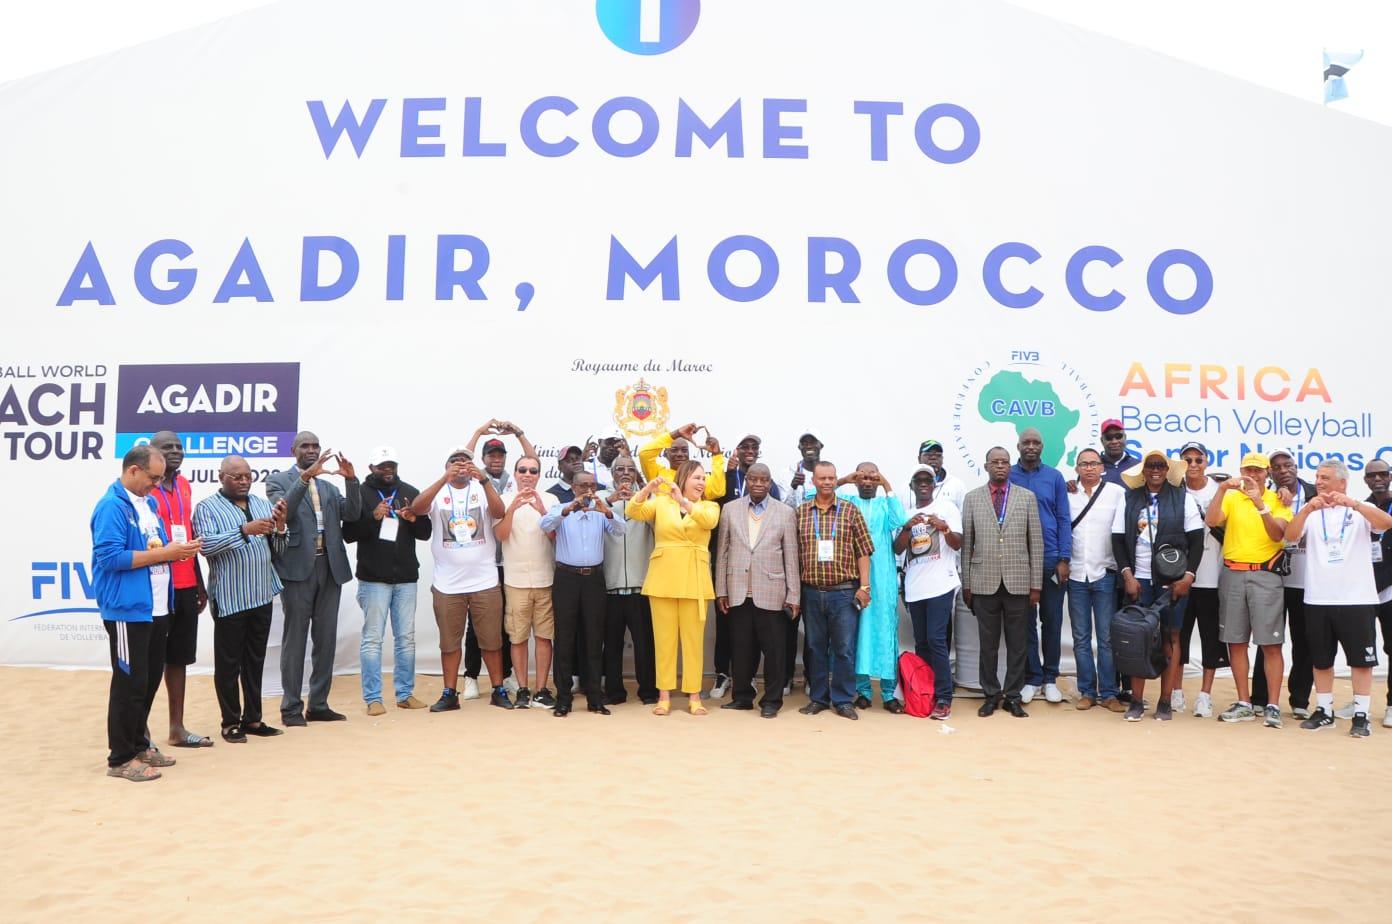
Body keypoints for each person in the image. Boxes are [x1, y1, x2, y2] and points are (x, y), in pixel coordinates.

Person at [91, 445, 201, 781]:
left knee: (149, 681)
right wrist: (165, 554)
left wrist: (178, 551)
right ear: (133, 470)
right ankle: (120, 758)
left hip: (157, 606)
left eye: (160, 478)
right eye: (153, 478)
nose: (157, 484)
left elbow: (157, 550)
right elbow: (110, 558)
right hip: (128, 609)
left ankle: (140, 745)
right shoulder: (112, 506)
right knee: (129, 684)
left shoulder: (149, 503)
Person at [1286, 459, 1392, 737]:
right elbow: (1290, 536)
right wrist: (1307, 509)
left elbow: (1386, 523)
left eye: (1325, 477)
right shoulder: (1312, 512)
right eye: (1317, 477)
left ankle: (1361, 714)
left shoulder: (1360, 509)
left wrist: (1353, 504)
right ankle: (1324, 710)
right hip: (1318, 598)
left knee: (1361, 660)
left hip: (1357, 598)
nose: (1319, 482)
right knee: (1321, 659)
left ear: (1342, 482)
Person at [264, 432, 361, 725]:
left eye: (315, 446)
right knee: (295, 640)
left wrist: (351, 480)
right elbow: (284, 511)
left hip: (329, 568)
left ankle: (318, 704)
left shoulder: (328, 487)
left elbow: (352, 514)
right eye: (305, 446)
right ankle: (291, 708)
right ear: (293, 450)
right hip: (297, 570)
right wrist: (305, 478)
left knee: (326, 640)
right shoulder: (278, 481)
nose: (311, 450)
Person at [191, 455, 289, 742]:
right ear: (221, 477)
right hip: (231, 597)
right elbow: (206, 546)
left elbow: (279, 549)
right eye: (237, 477)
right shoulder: (207, 508)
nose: (244, 481)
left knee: (255, 661)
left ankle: (253, 719)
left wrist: (281, 527)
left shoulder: (261, 503)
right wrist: (244, 530)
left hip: (261, 594)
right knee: (228, 664)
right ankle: (230, 721)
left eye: (248, 476)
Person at [409, 448, 509, 712]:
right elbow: (417, 508)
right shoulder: (439, 491)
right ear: (446, 467)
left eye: (466, 462)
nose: (461, 465)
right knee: (449, 643)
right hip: (447, 584)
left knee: (492, 641)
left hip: (484, 581)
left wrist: (483, 480)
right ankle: (449, 693)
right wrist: (444, 478)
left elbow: (500, 511)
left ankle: (498, 690)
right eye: (455, 462)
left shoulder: (481, 488)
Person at [1111, 449, 1205, 721]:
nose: (1155, 470)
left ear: (1167, 470)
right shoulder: (1129, 498)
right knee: (1137, 638)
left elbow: (1197, 541)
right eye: (1150, 465)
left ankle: (1164, 702)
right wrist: (1127, 576)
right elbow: (1117, 539)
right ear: (1143, 470)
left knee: (1170, 638)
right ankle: (1137, 701)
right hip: (1138, 580)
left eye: (1160, 466)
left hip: (1172, 581)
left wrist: (1188, 577)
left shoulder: (1183, 498)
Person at [1204, 451, 1293, 726]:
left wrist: (1259, 503)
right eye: (1247, 470)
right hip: (1232, 573)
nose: (1252, 475)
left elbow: (1277, 534)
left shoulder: (1277, 500)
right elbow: (1211, 520)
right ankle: (1244, 702)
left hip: (1265, 575)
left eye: (1258, 470)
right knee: (1236, 642)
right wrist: (1221, 489)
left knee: (1271, 644)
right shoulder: (1231, 497)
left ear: (1267, 473)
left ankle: (1273, 706)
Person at [625, 461, 721, 716]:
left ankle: (694, 696)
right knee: (664, 641)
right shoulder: (661, 502)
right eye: (697, 477)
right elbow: (633, 511)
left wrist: (684, 501)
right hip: (663, 579)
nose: (701, 482)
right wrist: (648, 489)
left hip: (695, 579)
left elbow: (709, 522)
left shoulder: (709, 506)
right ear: (683, 478)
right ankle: (664, 695)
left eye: (703, 478)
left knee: (693, 641)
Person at [343, 446, 431, 714]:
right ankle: (373, 698)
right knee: (373, 640)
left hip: (405, 578)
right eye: (382, 465)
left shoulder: (410, 492)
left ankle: (405, 694)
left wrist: (413, 519)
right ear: (372, 468)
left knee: (406, 639)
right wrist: (374, 517)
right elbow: (349, 534)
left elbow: (425, 533)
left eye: (391, 464)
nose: (388, 469)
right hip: (373, 580)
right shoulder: (360, 493)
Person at [960, 447, 1043, 718]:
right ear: (986, 466)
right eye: (994, 462)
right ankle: (991, 694)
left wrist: (1036, 585)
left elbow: (1036, 543)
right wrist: (967, 584)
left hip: (1018, 581)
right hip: (983, 582)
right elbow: (967, 544)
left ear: (1010, 466)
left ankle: (1013, 696)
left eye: (1004, 462)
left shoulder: (1026, 497)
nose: (999, 466)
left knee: (1019, 644)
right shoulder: (972, 498)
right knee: (988, 644)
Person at [714, 463, 801, 717]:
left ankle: (772, 701)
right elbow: (722, 552)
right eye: (754, 479)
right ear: (747, 481)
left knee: (774, 652)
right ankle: (742, 697)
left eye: (764, 480)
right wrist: (721, 590)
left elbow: (791, 557)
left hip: (773, 592)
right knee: (741, 650)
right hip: (738, 591)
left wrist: (793, 595)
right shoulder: (730, 509)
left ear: (770, 482)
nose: (759, 484)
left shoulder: (785, 512)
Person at [793, 461, 874, 720]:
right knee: (815, 648)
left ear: (836, 479)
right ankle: (818, 698)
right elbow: (793, 554)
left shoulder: (850, 511)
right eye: (822, 478)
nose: (827, 482)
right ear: (813, 481)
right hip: (811, 592)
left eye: (831, 478)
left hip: (844, 593)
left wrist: (864, 586)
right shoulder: (801, 513)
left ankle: (843, 700)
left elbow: (864, 551)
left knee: (844, 649)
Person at [539, 471, 625, 716]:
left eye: (592, 486)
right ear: (574, 487)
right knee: (565, 638)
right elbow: (544, 525)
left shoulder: (600, 510)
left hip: (594, 579)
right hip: (566, 578)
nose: (588, 490)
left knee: (594, 637)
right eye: (583, 486)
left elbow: (621, 530)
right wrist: (569, 509)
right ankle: (563, 699)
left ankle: (595, 697)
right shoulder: (561, 508)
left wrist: (607, 512)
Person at [147, 430, 212, 749]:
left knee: (179, 659)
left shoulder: (185, 485)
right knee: (149, 662)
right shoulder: (146, 489)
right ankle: (140, 734)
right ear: (151, 452)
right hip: (157, 586)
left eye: (179, 447)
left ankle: (177, 728)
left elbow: (187, 536)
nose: (175, 451)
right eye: (167, 447)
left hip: (186, 584)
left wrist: (199, 581)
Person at [708, 434, 782, 698]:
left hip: (761, 573)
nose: (750, 450)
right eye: (745, 446)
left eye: (754, 447)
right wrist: (728, 473)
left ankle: (748, 678)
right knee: (726, 625)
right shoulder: (726, 477)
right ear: (737, 450)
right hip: (730, 564)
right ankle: (723, 674)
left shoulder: (771, 486)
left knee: (755, 633)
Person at [463, 421, 534, 697]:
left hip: (508, 562)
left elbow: (533, 460)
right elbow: (463, 459)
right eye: (491, 455)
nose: (496, 459)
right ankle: (470, 676)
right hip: (482, 562)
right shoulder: (474, 477)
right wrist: (478, 433)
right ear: (483, 459)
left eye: (500, 455)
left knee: (506, 623)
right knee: (476, 623)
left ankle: (505, 675)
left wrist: (519, 433)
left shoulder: (512, 479)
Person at [894, 465, 962, 719]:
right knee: (921, 642)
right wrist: (906, 528)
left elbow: (958, 543)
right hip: (915, 587)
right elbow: (897, 549)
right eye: (918, 480)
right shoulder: (906, 514)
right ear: (912, 486)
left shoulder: (947, 508)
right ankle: (925, 692)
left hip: (941, 584)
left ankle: (944, 697)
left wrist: (944, 527)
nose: (923, 483)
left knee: (936, 640)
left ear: (934, 485)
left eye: (928, 480)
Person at [1009, 427, 1072, 704]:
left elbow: (1063, 518)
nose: (1031, 446)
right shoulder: (1009, 475)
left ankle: (1050, 678)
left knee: (1052, 621)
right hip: (1019, 561)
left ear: (1042, 447)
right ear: (1018, 446)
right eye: (1026, 442)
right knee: (1025, 623)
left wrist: (1064, 558)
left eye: (1036, 442)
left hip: (1050, 559)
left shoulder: (1054, 477)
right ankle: (1032, 678)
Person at [1252, 448, 1315, 718]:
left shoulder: (1314, 494)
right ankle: (1260, 698)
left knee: (1305, 642)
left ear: (1296, 466)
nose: (1283, 470)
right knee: (1267, 641)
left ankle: (1300, 700)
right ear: (1270, 472)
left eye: (1287, 465)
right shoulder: (1262, 496)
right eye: (1276, 467)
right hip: (1273, 578)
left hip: (1308, 582)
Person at [838, 462, 907, 712]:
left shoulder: (884, 505)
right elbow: (815, 495)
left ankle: (888, 694)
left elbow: (901, 520)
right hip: (854, 576)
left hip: (883, 578)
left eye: (872, 478)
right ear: (856, 480)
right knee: (858, 633)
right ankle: (863, 691)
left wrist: (886, 484)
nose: (867, 482)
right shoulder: (847, 502)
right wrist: (844, 479)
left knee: (886, 631)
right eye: (862, 478)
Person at [1065, 448, 1126, 712]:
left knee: (1106, 639)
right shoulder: (1067, 494)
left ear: (1102, 467)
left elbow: (1122, 533)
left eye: (1094, 463)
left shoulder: (1117, 493)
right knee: (1080, 638)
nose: (1089, 468)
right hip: (1076, 574)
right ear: (1077, 468)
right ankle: (1087, 692)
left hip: (1104, 573)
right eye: (1084, 464)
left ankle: (1109, 693)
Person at [495, 455, 557, 710]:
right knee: (518, 638)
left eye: (533, 471)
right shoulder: (503, 500)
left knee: (544, 637)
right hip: (515, 580)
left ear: (539, 475)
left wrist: (542, 511)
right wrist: (512, 508)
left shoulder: (551, 500)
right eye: (523, 470)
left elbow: (556, 536)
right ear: (515, 473)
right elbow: (500, 535)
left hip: (545, 579)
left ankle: (541, 689)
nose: (527, 475)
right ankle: (522, 688)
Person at [1174, 442, 1228, 718]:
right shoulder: (1174, 489)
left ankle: (1205, 695)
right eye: (1188, 460)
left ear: (1207, 462)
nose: (1193, 465)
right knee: (1177, 636)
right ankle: (1176, 691)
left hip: (1211, 575)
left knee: (1210, 638)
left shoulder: (1221, 489)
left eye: (1198, 459)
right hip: (1180, 575)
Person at [602, 457, 659, 706]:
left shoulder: (648, 500)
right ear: (612, 473)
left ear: (636, 474)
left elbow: (659, 525)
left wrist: (640, 497)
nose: (625, 473)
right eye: (620, 469)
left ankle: (648, 691)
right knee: (611, 644)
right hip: (610, 586)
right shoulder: (601, 498)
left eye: (630, 469)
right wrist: (610, 500)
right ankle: (614, 692)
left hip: (641, 585)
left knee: (645, 643)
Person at [1349, 458, 1392, 726]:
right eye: (1372, 475)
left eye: (1382, 474)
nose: (1377, 479)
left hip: (1390, 590)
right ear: (1365, 480)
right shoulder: (1360, 508)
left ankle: (1391, 704)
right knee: (1360, 648)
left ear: (1390, 476)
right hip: (1364, 589)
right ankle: (1359, 702)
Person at [637, 421, 727, 501]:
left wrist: (717, 455)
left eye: (684, 450)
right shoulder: (657, 474)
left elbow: (718, 490)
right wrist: (677, 433)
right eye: (674, 450)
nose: (680, 454)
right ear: (666, 454)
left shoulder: (699, 478)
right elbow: (644, 454)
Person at [916, 439, 966, 512]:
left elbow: (963, 515)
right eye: (928, 454)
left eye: (938, 455)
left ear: (942, 459)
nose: (933, 458)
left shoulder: (957, 485)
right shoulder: (906, 487)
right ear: (919, 459)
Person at [784, 429, 824, 508]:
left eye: (813, 442)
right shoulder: (788, 474)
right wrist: (793, 487)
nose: (809, 446)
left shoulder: (829, 474)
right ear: (799, 447)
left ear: (821, 446)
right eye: (804, 443)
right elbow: (785, 509)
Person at [1098, 418, 1140, 486]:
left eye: (1118, 436)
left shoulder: (1138, 466)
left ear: (1125, 437)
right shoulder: (1094, 467)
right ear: (1102, 440)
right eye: (1109, 437)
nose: (1114, 441)